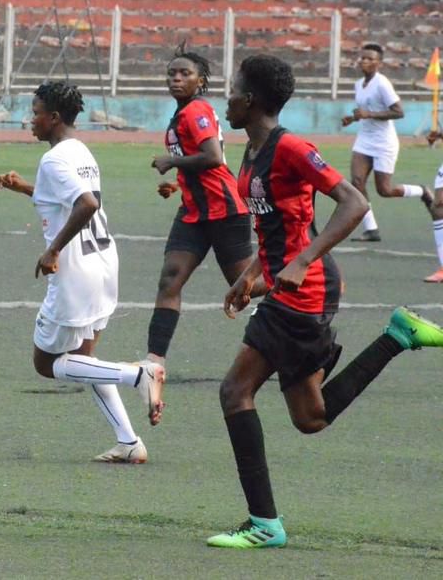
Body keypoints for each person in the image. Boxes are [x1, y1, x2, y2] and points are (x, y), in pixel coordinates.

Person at [207, 53, 443, 549]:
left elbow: (356, 203)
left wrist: (301, 262)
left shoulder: (290, 147)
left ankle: (264, 524)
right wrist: (251, 276)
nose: (225, 96)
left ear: (249, 101)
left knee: (234, 392)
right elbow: (277, 229)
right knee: (310, 418)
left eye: (231, 88)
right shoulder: (251, 154)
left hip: (306, 290)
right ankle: (398, 336)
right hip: (288, 287)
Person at [0, 81, 166, 464]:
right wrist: (25, 187)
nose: (30, 120)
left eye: (36, 111)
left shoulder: (54, 159)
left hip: (76, 273)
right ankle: (128, 442)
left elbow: (86, 204)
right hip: (104, 264)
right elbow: (67, 198)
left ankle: (140, 374)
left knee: (47, 364)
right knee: (84, 361)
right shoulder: (79, 151)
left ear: (54, 117)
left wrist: (52, 249)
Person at [148, 44, 253, 369]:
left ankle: (306, 294)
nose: (176, 79)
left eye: (185, 74)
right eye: (172, 73)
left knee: (247, 285)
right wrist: (180, 183)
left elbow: (213, 158)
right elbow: (204, 164)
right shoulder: (185, 112)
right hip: (194, 212)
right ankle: (153, 363)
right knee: (170, 279)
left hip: (224, 209)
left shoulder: (195, 110)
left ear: (200, 80)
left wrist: (171, 161)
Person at [342, 43, 430, 242]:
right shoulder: (358, 84)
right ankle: (371, 229)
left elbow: (399, 112)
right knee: (356, 183)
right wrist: (353, 118)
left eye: (370, 59)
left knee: (385, 190)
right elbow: (365, 110)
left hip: (384, 142)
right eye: (363, 58)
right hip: (365, 139)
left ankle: (422, 191)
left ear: (379, 64)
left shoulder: (382, 83)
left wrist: (369, 114)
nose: (365, 61)